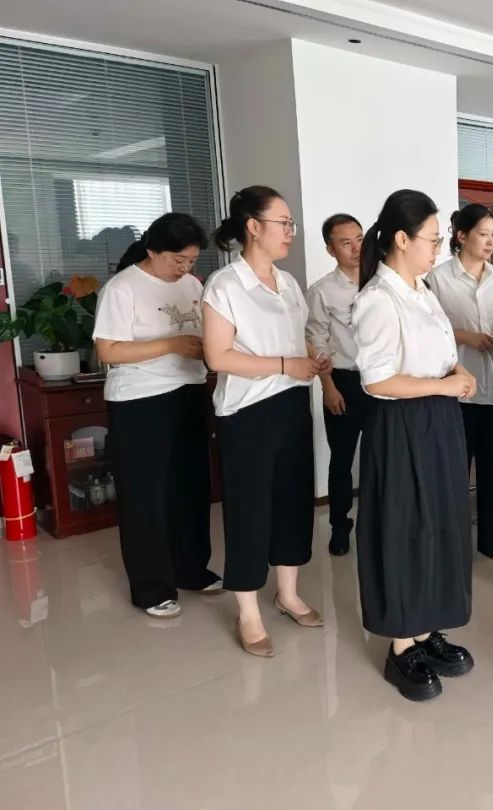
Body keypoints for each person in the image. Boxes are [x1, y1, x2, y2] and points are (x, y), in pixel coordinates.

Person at [352, 189, 477, 702]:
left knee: (442, 521)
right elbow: (377, 380)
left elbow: (441, 352)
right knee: (405, 527)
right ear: (402, 240)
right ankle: (401, 644)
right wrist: (445, 386)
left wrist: (458, 370)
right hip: (402, 424)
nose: (438, 249)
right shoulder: (377, 300)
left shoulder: (422, 290)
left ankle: (427, 629)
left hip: (438, 417)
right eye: (433, 240)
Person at [202, 186, 326, 658]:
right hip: (247, 413)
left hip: (292, 403)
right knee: (250, 510)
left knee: (293, 501)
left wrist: (312, 357)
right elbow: (218, 356)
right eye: (283, 222)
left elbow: (295, 339)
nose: (290, 231)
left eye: (292, 223)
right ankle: (248, 612)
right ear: (253, 227)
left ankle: (288, 593)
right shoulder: (225, 285)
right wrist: (285, 365)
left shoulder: (288, 283)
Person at [94, 213, 221, 619]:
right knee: (145, 496)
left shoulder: (191, 285)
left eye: (191, 260)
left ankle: (191, 569)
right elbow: (108, 351)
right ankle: (152, 588)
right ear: (152, 251)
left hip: (189, 392)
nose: (184, 268)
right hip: (141, 400)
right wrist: (171, 345)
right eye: (177, 260)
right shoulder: (123, 288)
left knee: (192, 488)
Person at [427, 205, 493, 563]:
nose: (491, 241)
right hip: (457, 392)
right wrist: (466, 337)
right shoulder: (437, 279)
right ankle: (451, 546)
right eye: (483, 234)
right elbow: (429, 331)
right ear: (461, 236)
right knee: (453, 475)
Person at [306, 213, 369, 556]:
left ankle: (374, 524)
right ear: (331, 249)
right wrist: (327, 386)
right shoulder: (322, 291)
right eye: (346, 243)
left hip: (381, 382)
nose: (356, 248)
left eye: (359, 238)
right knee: (341, 460)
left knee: (380, 458)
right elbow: (317, 340)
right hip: (343, 382)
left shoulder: (380, 281)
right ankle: (340, 526)